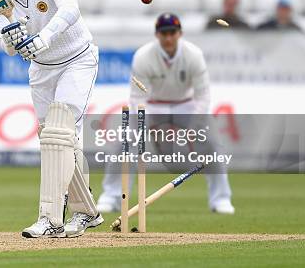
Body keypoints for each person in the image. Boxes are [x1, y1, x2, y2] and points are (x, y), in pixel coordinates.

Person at [0, 0, 103, 238]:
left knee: (60, 134)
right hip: (40, 69)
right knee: (52, 138)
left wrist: (44, 37)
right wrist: (11, 39)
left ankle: (50, 219)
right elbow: (9, 49)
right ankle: (87, 211)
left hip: (77, 60)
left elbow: (71, 10)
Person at [97, 13, 235, 215]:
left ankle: (221, 199)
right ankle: (111, 196)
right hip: (153, 106)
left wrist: (194, 126)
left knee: (213, 141)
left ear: (180, 34)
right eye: (164, 34)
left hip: (186, 105)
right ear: (157, 35)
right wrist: (148, 124)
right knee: (124, 140)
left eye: (172, 33)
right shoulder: (143, 56)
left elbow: (203, 95)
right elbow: (136, 98)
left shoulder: (193, 55)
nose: (168, 38)